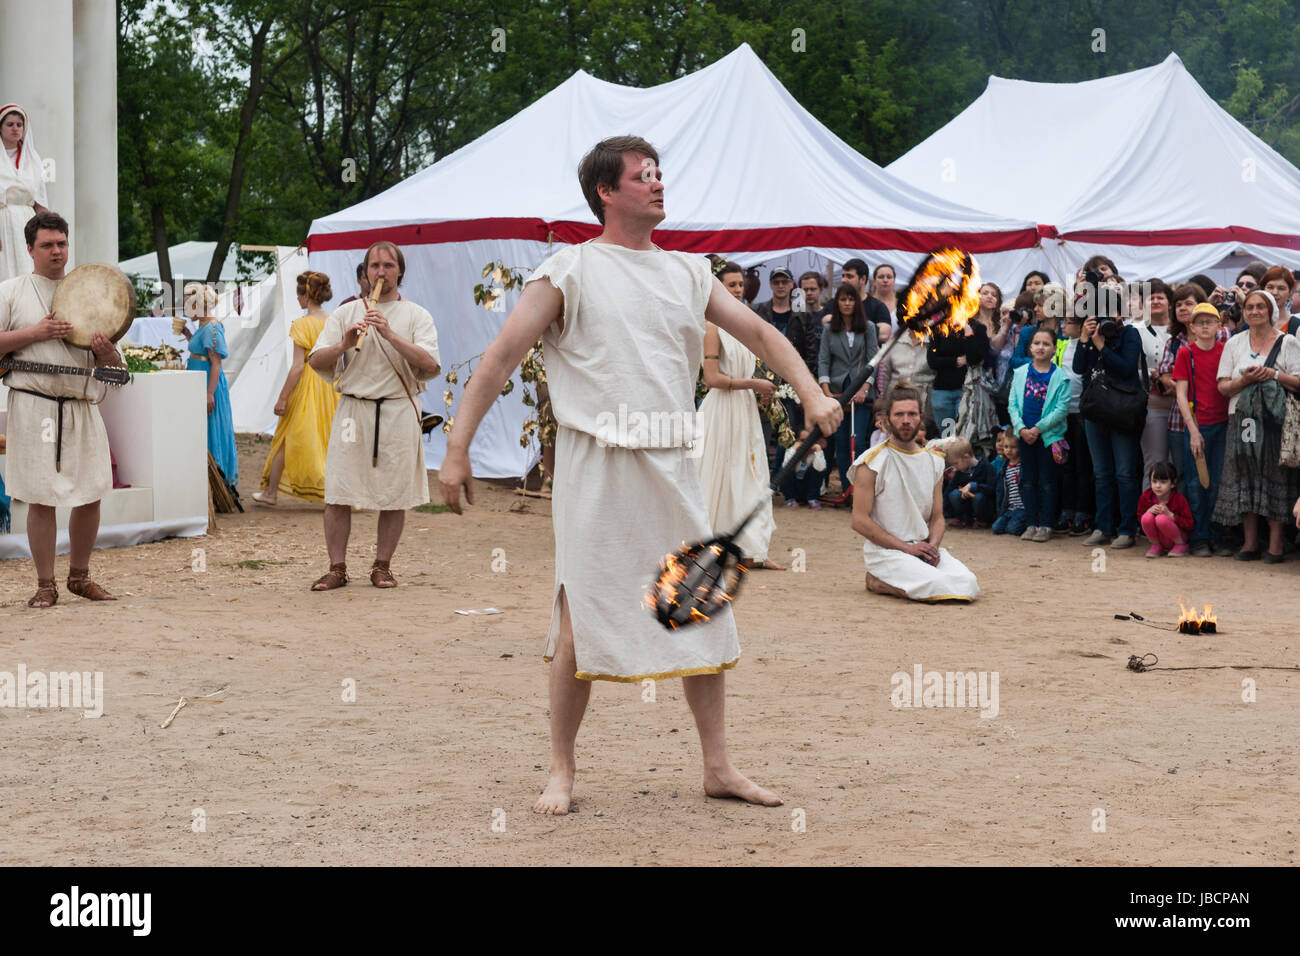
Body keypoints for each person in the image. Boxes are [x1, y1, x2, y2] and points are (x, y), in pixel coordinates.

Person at [437, 136, 841, 814]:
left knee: (701, 607)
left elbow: (765, 337)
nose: (657, 185)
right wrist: (456, 451)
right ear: (606, 191)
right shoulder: (568, 270)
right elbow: (501, 358)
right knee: (581, 617)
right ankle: (561, 769)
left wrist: (811, 390)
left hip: (672, 459)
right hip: (597, 465)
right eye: (641, 176)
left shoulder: (688, 272)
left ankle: (719, 766)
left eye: (659, 174)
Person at [0, 212, 121, 606]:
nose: (57, 251)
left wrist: (107, 354)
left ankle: (80, 577)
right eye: (48, 245)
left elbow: (116, 372)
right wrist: (35, 333)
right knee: (41, 496)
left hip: (82, 405)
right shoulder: (12, 291)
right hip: (34, 407)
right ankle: (45, 584)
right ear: (30, 249)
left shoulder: (91, 291)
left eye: (62, 244)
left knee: (91, 493)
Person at [307, 240, 441, 589]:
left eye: (388, 265)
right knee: (338, 492)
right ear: (365, 272)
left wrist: (389, 334)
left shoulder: (417, 315)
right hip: (353, 410)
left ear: (400, 271)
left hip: (397, 410)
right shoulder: (345, 314)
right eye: (375, 266)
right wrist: (344, 344)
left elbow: (431, 365)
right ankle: (337, 568)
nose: (381, 272)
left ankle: (382, 566)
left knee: (394, 493)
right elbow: (315, 361)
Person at [849, 383, 979, 602]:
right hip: (887, 552)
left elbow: (937, 517)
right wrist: (906, 549)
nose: (906, 420)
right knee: (936, 585)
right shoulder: (871, 462)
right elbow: (859, 520)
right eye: (899, 414)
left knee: (968, 585)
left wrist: (932, 548)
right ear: (886, 420)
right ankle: (877, 580)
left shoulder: (934, 461)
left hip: (922, 549)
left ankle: (904, 577)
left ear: (921, 418)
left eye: (912, 414)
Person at [697, 262, 784, 570]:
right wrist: (754, 384)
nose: (736, 290)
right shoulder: (710, 326)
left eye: (739, 284)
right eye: (730, 285)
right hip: (721, 410)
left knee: (752, 476)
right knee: (720, 477)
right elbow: (712, 379)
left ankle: (752, 550)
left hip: (744, 410)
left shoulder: (745, 322)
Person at [1212, 289, 1300, 563]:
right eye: (1249, 306)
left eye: (1261, 306)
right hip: (1243, 420)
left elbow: (1299, 381)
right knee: (1245, 477)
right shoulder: (1234, 343)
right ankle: (1249, 544)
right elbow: (1223, 386)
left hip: (1275, 422)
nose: (1255, 311)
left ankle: (1275, 547)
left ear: (1271, 310)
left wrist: (1273, 374)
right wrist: (1245, 382)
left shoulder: (1288, 342)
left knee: (1276, 479)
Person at [253, 271, 340, 505]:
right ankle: (337, 491)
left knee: (286, 436)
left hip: (308, 387)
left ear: (306, 296)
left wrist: (282, 398)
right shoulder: (334, 321)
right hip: (331, 386)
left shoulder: (302, 324)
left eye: (299, 295)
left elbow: (297, 367)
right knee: (329, 437)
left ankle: (271, 492)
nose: (298, 300)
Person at [1074, 305, 1145, 549]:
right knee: (1101, 472)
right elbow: (1078, 368)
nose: (1107, 317)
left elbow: (1126, 368)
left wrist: (1103, 345)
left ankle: (1127, 529)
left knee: (1124, 473)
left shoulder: (1130, 334)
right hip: (1096, 410)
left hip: (1122, 410)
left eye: (1111, 311)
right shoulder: (1092, 335)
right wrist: (1085, 339)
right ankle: (1102, 527)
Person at [1172, 302, 1231, 556]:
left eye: (1210, 321)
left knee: (1219, 481)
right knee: (1196, 483)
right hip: (1198, 425)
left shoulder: (1226, 350)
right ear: (1192, 327)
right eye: (1200, 322)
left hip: (1224, 424)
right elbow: (1180, 394)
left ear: (1219, 325)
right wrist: (1193, 430)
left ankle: (1216, 535)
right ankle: (1199, 538)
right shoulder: (1186, 353)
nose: (1205, 326)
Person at [818, 282, 877, 503]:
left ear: (857, 302)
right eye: (843, 299)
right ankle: (846, 490)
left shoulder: (869, 327)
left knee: (859, 441)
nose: (847, 303)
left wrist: (864, 388)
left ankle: (861, 491)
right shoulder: (828, 329)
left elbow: (873, 360)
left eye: (851, 299)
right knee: (841, 442)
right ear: (837, 302)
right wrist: (826, 391)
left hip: (861, 393)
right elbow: (823, 360)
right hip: (836, 392)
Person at [1010, 328, 1070, 543]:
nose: (1041, 347)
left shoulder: (1060, 377)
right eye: (1037, 343)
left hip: (1048, 437)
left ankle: (1046, 524)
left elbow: (1062, 408)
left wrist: (1038, 429)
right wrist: (1021, 429)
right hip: (1024, 436)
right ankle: (1030, 523)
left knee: (1047, 481)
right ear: (1030, 347)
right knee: (1028, 480)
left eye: (1046, 344)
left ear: (1054, 348)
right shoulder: (1020, 373)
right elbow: (1013, 404)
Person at [180, 282, 238, 491]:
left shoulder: (212, 328)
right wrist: (188, 334)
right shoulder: (203, 327)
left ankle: (217, 481)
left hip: (208, 384)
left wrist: (209, 393)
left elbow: (216, 362)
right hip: (200, 382)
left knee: (211, 428)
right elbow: (201, 351)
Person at [1133, 279, 1174, 488]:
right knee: (1154, 463)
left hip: (1180, 407)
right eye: (1151, 297)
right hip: (1151, 407)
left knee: (1178, 465)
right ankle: (1149, 516)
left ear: (1169, 301)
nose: (1156, 301)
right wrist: (1151, 374)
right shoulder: (1135, 330)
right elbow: (1129, 367)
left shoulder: (1181, 329)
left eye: (1161, 297)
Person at [0, 105, 49, 283]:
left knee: (26, 271)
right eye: (10, 124)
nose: (15, 128)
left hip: (26, 221)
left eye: (19, 125)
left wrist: (48, 231)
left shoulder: (33, 161)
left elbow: (40, 203)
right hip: (2, 221)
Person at [1056, 312, 1094, 535]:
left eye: (1068, 322)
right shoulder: (1061, 346)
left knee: (1083, 466)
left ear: (1080, 326)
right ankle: (1067, 510)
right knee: (1066, 465)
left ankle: (1083, 512)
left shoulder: (1086, 346)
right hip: (1063, 413)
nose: (1062, 325)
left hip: (1082, 412)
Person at [928, 304, 989, 437]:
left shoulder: (977, 328)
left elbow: (977, 357)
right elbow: (932, 361)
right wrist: (956, 361)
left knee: (964, 436)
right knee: (947, 436)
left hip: (967, 391)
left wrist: (968, 332)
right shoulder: (938, 329)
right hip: (942, 391)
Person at [1138, 462, 1194, 557]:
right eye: (1154, 481)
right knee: (1146, 517)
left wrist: (1171, 515)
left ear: (1173, 484)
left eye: (1163, 482)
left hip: (1178, 537)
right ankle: (1156, 545)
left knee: (1161, 519)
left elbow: (1190, 524)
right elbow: (1140, 519)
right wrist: (1148, 511)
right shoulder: (1146, 497)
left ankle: (1181, 545)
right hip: (1159, 538)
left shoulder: (1179, 499)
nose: (1158, 486)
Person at [942, 436, 994, 527]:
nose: (954, 467)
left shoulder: (986, 467)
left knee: (978, 497)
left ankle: (981, 520)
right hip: (967, 506)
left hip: (983, 506)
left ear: (966, 457)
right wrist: (940, 511)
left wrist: (975, 486)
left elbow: (993, 489)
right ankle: (963, 519)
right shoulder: (960, 471)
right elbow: (948, 491)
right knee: (954, 494)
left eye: (955, 463)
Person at [840, 257, 893, 342]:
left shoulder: (878, 306)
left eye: (849, 276)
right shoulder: (834, 303)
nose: (844, 280)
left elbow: (884, 334)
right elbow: (826, 322)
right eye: (843, 276)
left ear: (863, 279)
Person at [991, 428, 1028, 536]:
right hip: (1009, 508)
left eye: (1013, 447)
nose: (1009, 450)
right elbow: (1000, 492)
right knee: (996, 528)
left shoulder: (1023, 466)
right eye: (1006, 447)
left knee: (1013, 529)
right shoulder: (1004, 468)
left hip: (1022, 508)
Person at [780, 428, 828, 509]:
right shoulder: (792, 450)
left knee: (817, 469)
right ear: (797, 440)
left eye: (810, 440)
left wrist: (818, 449)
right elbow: (785, 467)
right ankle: (790, 499)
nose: (807, 444)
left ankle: (812, 499)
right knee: (785, 470)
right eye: (803, 440)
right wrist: (794, 448)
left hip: (811, 489)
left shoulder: (817, 452)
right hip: (795, 488)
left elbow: (820, 469)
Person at [750, 266, 797, 336]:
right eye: (776, 282)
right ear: (770, 284)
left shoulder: (802, 314)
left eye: (784, 282)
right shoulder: (757, 311)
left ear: (792, 284)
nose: (780, 286)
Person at [1260, 265, 1300, 335]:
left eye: (1281, 288)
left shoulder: (1297, 326)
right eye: (1270, 287)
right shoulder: (1251, 324)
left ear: (1290, 293)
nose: (1275, 293)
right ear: (1263, 289)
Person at [870, 263, 899, 334]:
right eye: (881, 277)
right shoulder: (865, 304)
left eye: (889, 277)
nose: (885, 280)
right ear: (874, 281)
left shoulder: (904, 305)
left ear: (894, 281)